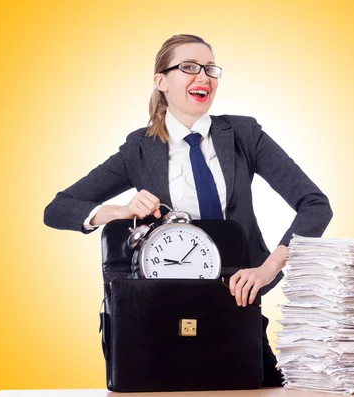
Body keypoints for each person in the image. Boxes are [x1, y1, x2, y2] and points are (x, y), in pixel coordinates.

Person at [44, 34, 333, 387]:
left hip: (236, 303)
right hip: (160, 313)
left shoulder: (244, 134)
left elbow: (315, 205)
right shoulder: (140, 148)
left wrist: (269, 266)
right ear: (161, 82)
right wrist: (120, 210)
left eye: (210, 69)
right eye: (190, 67)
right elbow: (58, 209)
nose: (204, 77)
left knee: (263, 386)